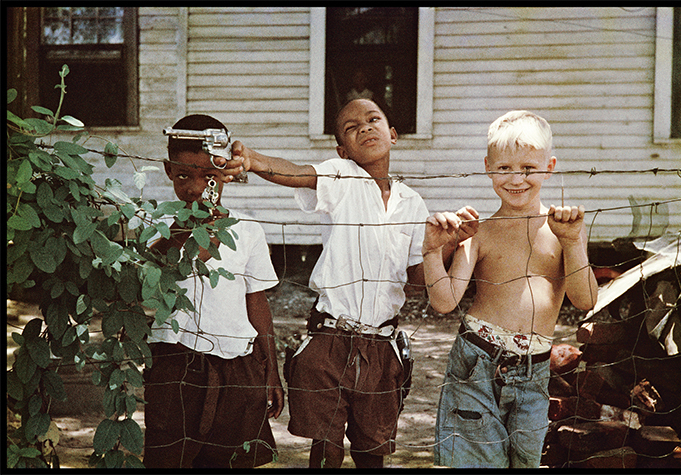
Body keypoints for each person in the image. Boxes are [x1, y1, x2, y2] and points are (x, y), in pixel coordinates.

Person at [220, 98, 436, 468]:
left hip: (383, 344)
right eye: (352, 128)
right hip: (331, 339)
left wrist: (441, 247)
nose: (365, 128)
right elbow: (295, 172)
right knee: (327, 445)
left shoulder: (413, 204)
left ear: (393, 134)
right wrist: (254, 160)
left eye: (373, 120)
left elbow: (416, 282)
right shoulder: (342, 177)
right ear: (342, 149)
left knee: (373, 449)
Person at [422, 110, 598, 468]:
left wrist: (573, 243)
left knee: (526, 461)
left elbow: (586, 299)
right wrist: (431, 250)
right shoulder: (479, 232)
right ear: (488, 167)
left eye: (528, 168)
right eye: (504, 168)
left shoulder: (564, 230)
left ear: (549, 166)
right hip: (476, 363)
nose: (516, 178)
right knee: (475, 461)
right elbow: (444, 301)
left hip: (534, 369)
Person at [143, 114, 284, 468]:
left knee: (229, 460)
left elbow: (257, 301)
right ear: (167, 169)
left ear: (227, 173)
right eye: (183, 176)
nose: (195, 187)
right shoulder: (152, 224)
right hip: (176, 362)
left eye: (209, 176)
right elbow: (152, 276)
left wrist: (272, 369)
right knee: (171, 458)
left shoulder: (248, 230)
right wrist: (184, 227)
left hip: (238, 364)